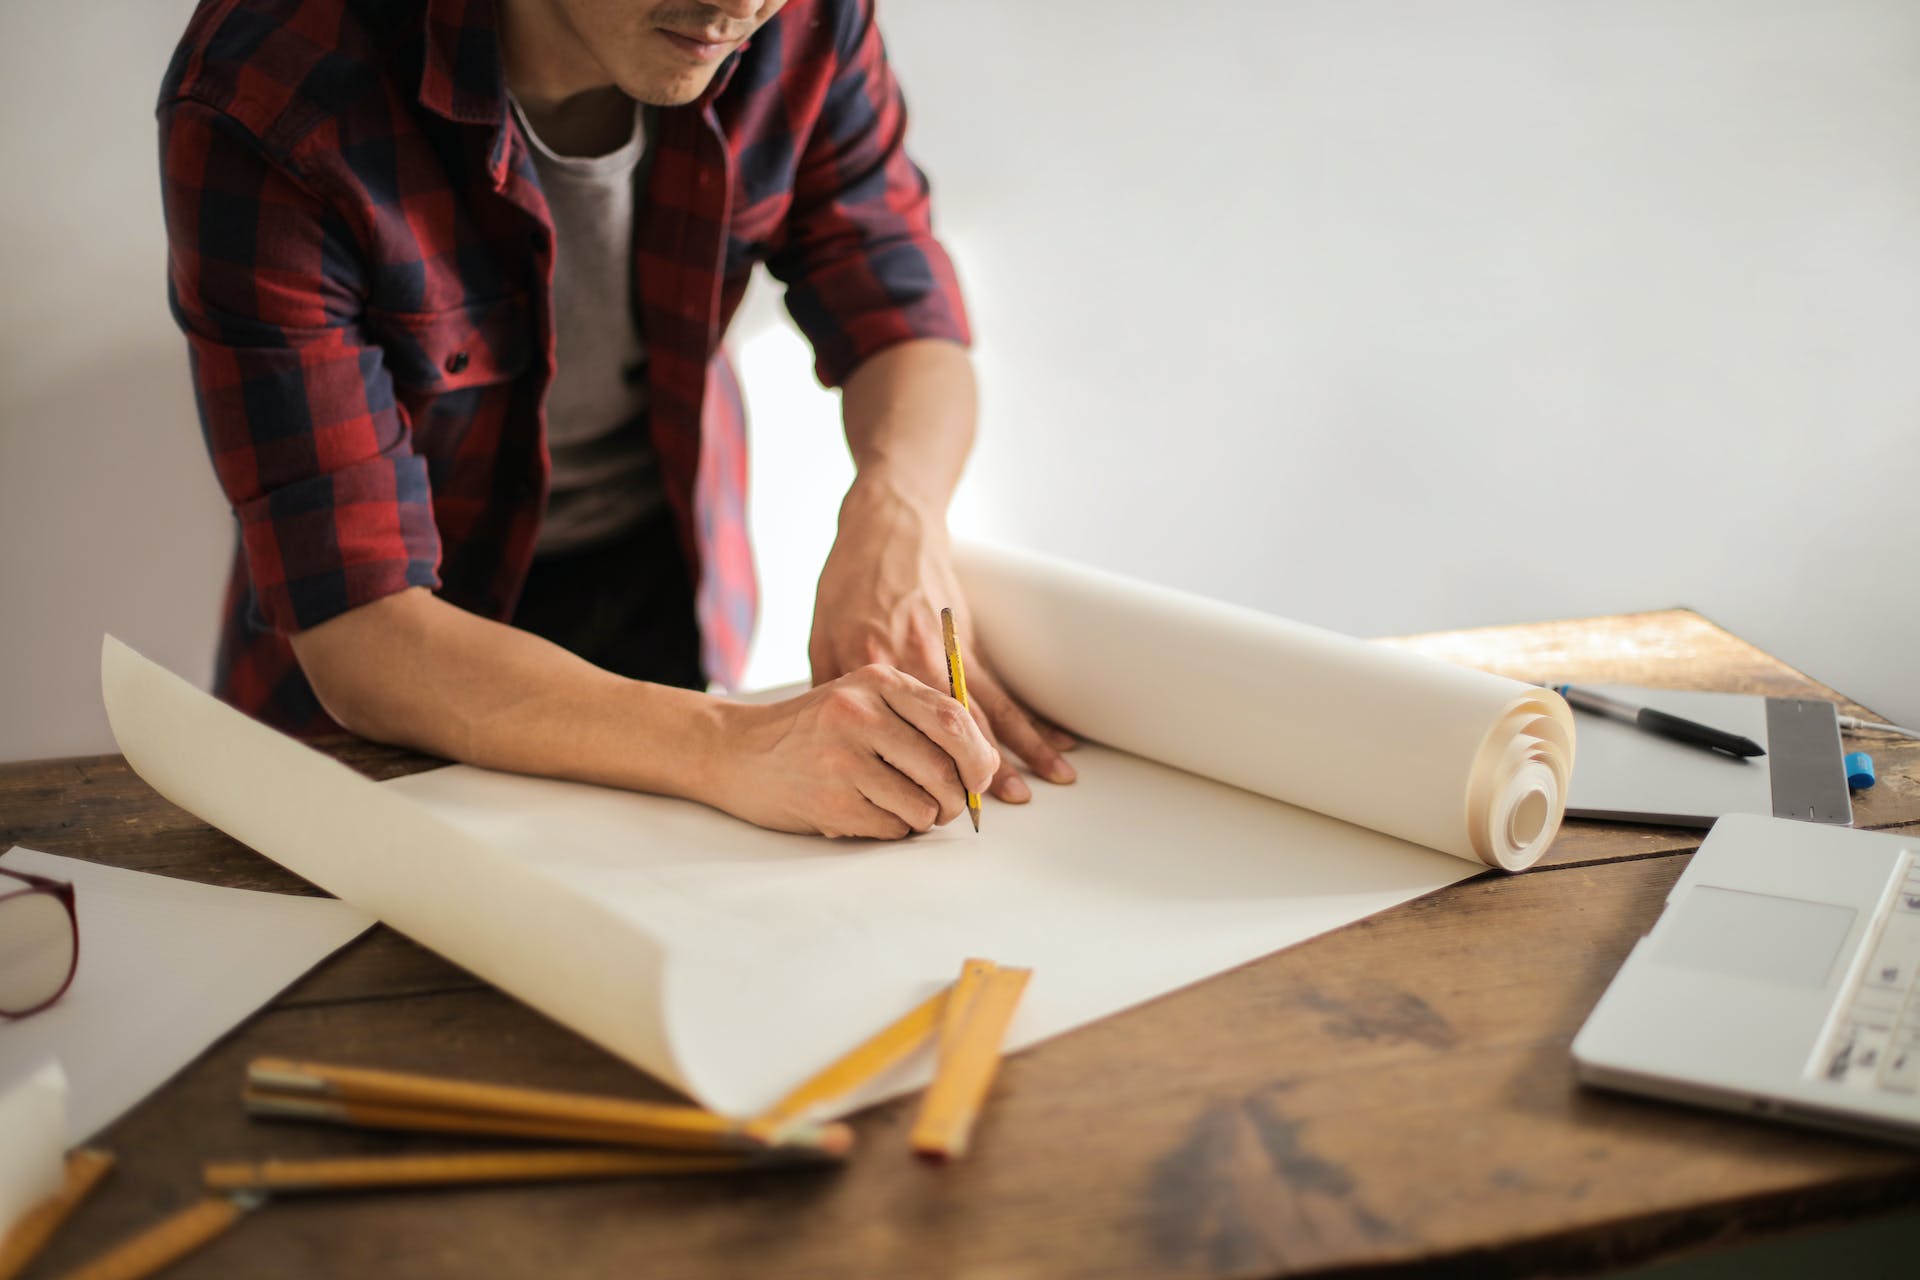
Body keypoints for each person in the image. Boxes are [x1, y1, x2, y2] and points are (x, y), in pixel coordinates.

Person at [157, 0, 1075, 839]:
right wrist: (731, 746)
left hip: (660, 584)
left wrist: (896, 511)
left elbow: (901, 306)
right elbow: (361, 631)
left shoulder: (803, 21)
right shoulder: (270, 86)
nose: (739, 8)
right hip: (394, 683)